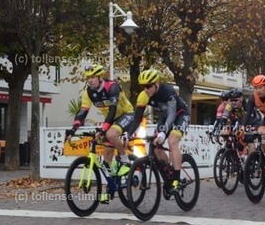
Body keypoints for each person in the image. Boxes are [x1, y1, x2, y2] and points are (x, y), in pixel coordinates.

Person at [65, 65, 136, 203]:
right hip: (111, 119)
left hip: (126, 114)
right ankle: (111, 188)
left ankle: (125, 160)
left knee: (111, 134)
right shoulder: (88, 92)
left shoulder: (112, 87)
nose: (90, 80)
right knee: (107, 155)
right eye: (88, 78)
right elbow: (82, 112)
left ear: (99, 77)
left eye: (92, 77)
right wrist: (73, 129)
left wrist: (103, 129)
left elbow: (112, 111)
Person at [128, 69, 190, 196]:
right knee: (155, 146)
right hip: (165, 117)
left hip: (180, 115)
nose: (146, 89)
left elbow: (172, 114)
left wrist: (163, 133)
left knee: (172, 141)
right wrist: (128, 134)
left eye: (148, 86)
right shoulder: (143, 96)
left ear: (156, 84)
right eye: (143, 86)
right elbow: (137, 118)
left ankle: (176, 180)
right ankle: (169, 172)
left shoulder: (167, 91)